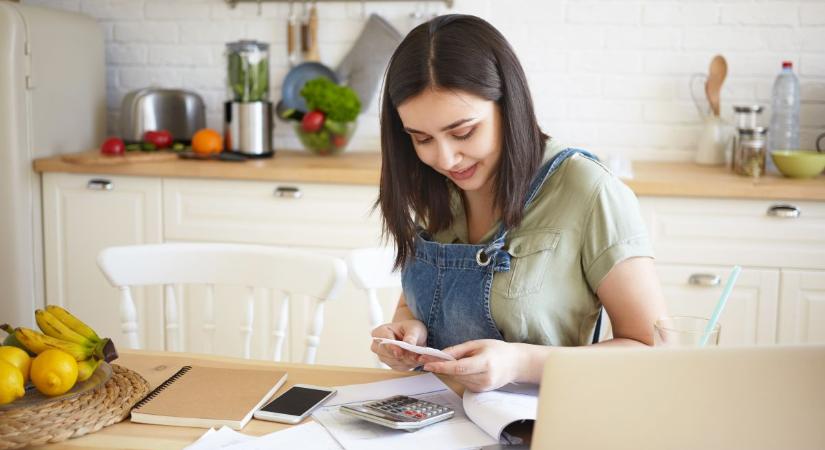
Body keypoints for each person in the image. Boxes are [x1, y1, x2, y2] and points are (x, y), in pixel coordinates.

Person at [370, 14, 666, 393]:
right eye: (422, 139)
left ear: (508, 104)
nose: (445, 159)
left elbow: (653, 349)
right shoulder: (436, 185)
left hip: (541, 425)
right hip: (433, 419)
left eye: (463, 132)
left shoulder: (588, 190)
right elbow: (416, 303)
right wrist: (408, 330)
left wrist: (520, 362)